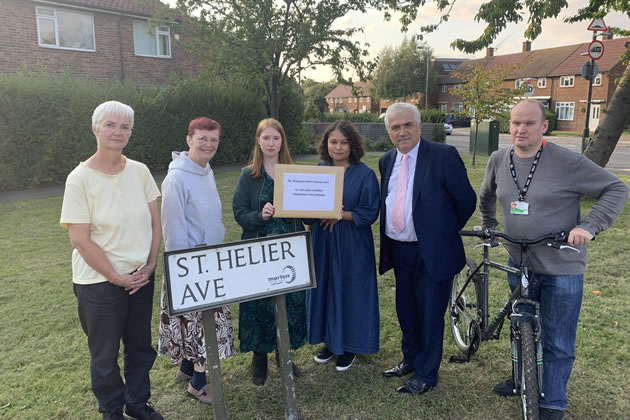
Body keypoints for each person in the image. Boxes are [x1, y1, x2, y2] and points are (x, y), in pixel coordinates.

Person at [479, 99, 628, 420]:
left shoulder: (566, 161)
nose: (521, 129)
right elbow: (487, 196)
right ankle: (521, 381)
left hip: (562, 265)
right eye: (516, 122)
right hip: (519, 262)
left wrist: (589, 226)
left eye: (529, 123)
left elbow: (615, 189)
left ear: (544, 126)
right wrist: (489, 226)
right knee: (521, 327)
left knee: (558, 340)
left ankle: (553, 403)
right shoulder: (497, 159)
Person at [60, 101, 163, 420]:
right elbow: (80, 239)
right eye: (110, 125)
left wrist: (149, 266)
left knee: (140, 347)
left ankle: (137, 403)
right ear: (95, 128)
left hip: (139, 278)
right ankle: (111, 411)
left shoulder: (140, 171)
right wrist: (118, 278)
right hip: (99, 284)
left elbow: (155, 223)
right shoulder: (79, 179)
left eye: (125, 127)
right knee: (104, 356)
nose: (118, 132)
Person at [378, 103, 477, 394]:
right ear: (389, 132)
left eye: (408, 125)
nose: (402, 131)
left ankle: (426, 374)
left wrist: (441, 231)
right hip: (399, 248)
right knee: (406, 309)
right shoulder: (386, 161)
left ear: (420, 126)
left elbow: (465, 201)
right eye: (395, 127)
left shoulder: (443, 155)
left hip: (433, 250)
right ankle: (409, 359)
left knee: (431, 313)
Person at [158, 117, 236, 404]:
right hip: (191, 264)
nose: (209, 144)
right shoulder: (176, 178)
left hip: (211, 257)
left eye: (214, 139)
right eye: (203, 138)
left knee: (195, 322)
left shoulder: (205, 169)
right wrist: (184, 270)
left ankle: (187, 367)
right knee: (203, 323)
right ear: (189, 138)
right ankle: (199, 383)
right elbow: (174, 229)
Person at [232, 118, 307, 386]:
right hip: (259, 251)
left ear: (282, 141)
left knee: (286, 303)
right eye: (267, 138)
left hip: (290, 251)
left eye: (276, 138)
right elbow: (239, 213)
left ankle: (283, 355)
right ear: (259, 141)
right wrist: (259, 215)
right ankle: (259, 358)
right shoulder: (248, 176)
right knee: (259, 303)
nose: (271, 143)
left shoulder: (294, 172)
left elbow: (308, 206)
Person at [307, 121, 380, 371]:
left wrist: (342, 215)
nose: (338, 147)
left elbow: (370, 211)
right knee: (326, 289)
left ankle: (350, 347)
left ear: (353, 144)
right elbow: (306, 206)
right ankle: (330, 342)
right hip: (322, 241)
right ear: (326, 144)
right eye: (333, 142)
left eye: (344, 142)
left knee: (350, 290)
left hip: (351, 243)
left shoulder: (365, 174)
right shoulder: (318, 170)